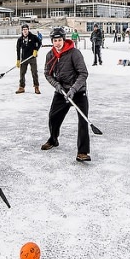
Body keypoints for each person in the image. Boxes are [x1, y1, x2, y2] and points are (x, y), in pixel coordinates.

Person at [42, 26, 91, 162]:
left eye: (59, 40)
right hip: (62, 91)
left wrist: (73, 89)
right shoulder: (50, 55)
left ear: (64, 40)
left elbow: (83, 73)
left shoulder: (74, 53)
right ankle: (53, 139)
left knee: (83, 121)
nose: (57, 43)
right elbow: (47, 74)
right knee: (53, 116)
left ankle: (82, 152)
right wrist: (57, 86)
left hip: (78, 91)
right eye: (55, 40)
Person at [15, 24, 42, 94]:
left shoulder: (33, 37)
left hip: (32, 57)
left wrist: (36, 50)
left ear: (28, 30)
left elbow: (39, 42)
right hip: (24, 58)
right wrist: (18, 59)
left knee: (34, 72)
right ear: (22, 31)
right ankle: (21, 87)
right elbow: (18, 50)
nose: (25, 31)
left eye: (26, 29)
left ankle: (36, 87)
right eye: (23, 30)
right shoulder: (20, 39)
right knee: (22, 73)